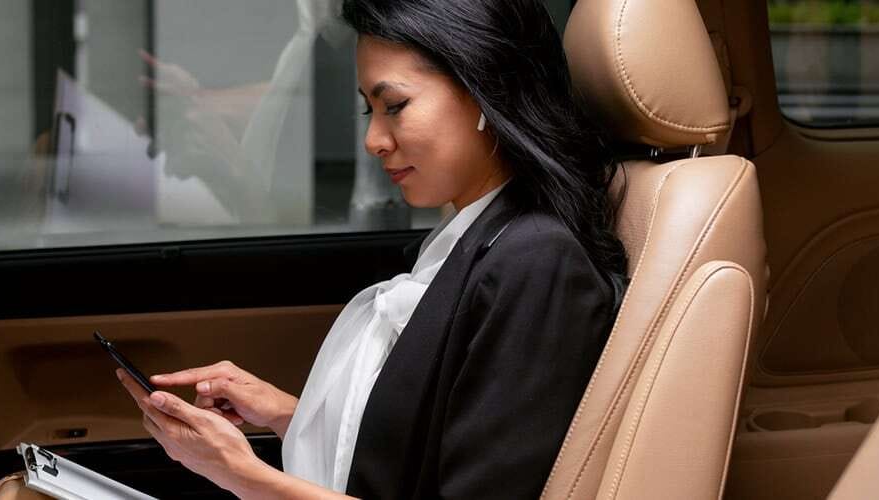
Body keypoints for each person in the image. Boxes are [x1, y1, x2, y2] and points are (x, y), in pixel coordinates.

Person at [115, 0, 632, 497]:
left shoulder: (537, 262)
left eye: (395, 106)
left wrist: (241, 474)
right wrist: (284, 413)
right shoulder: (473, 240)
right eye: (370, 111)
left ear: (486, 89)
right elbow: (420, 452)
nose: (374, 140)